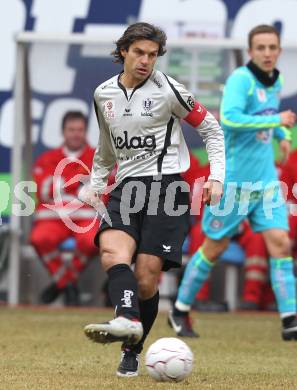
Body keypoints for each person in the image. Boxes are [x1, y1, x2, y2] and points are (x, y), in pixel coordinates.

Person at [82, 22, 225, 377]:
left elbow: (212, 129)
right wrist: (97, 183)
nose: (146, 61)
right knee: (113, 253)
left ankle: (132, 348)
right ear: (123, 52)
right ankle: (127, 317)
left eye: (152, 54)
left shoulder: (168, 90)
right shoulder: (103, 94)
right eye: (139, 53)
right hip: (125, 189)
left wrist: (217, 177)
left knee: (146, 278)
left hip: (167, 190)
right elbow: (106, 146)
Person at [168, 24, 297, 340]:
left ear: (279, 51)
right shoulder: (241, 80)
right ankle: (180, 309)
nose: (267, 53)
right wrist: (276, 122)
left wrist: (281, 135)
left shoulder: (275, 80)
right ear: (251, 51)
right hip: (234, 182)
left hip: (266, 182)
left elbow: (267, 113)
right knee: (215, 247)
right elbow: (231, 119)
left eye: (272, 47)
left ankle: (290, 319)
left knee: (280, 242)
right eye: (261, 48)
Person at [30, 111, 98, 305]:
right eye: (71, 130)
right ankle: (67, 284)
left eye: (80, 130)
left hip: (86, 217)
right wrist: (77, 185)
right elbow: (44, 191)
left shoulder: (98, 157)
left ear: (85, 132)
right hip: (53, 217)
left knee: (92, 240)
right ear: (63, 132)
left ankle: (62, 283)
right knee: (39, 238)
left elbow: (100, 190)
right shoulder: (47, 158)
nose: (76, 134)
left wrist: (62, 184)